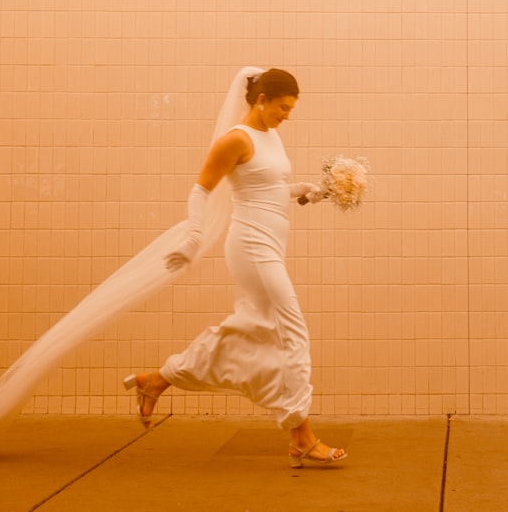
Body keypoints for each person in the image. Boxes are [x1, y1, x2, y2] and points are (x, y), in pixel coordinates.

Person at [123, 68, 347, 468]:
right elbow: (201, 189)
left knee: (249, 329)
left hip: (271, 245)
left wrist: (304, 190)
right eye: (283, 107)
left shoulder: (270, 136)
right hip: (252, 246)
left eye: (291, 109)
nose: (287, 116)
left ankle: (159, 378)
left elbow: (267, 186)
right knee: (293, 332)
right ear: (261, 100)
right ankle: (302, 435)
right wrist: (193, 236)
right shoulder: (234, 140)